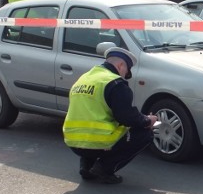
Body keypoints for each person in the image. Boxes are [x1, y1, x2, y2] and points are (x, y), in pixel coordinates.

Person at [63, 47, 158, 184]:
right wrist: (147, 120)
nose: (125, 75)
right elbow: (126, 117)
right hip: (98, 142)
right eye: (126, 71)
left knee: (92, 130)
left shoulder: (85, 78)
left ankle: (86, 166)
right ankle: (104, 169)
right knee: (144, 134)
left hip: (73, 141)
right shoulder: (116, 83)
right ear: (120, 65)